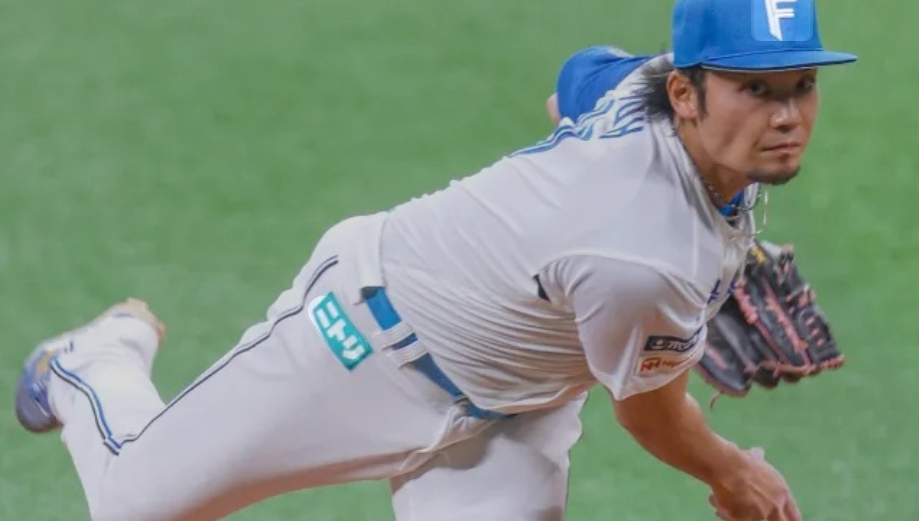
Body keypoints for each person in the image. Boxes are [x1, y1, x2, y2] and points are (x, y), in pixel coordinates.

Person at [14, 0, 856, 520]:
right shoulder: (642, 259)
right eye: (755, 88)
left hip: (513, 412)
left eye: (801, 85)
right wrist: (737, 475)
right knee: (134, 504)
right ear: (687, 94)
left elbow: (577, 79)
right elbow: (651, 416)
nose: (785, 116)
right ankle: (96, 357)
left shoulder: (648, 94)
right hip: (362, 343)